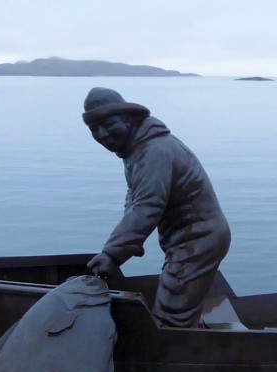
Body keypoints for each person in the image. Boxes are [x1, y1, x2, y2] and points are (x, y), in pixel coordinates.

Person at [83, 87, 231, 328]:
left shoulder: (154, 152)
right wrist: (122, 246)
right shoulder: (136, 151)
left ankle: (186, 361)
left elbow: (147, 206)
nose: (102, 134)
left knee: (172, 319)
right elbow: (135, 200)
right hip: (185, 239)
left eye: (108, 124)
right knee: (178, 308)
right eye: (94, 129)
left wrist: (113, 253)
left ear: (128, 119)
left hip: (199, 240)